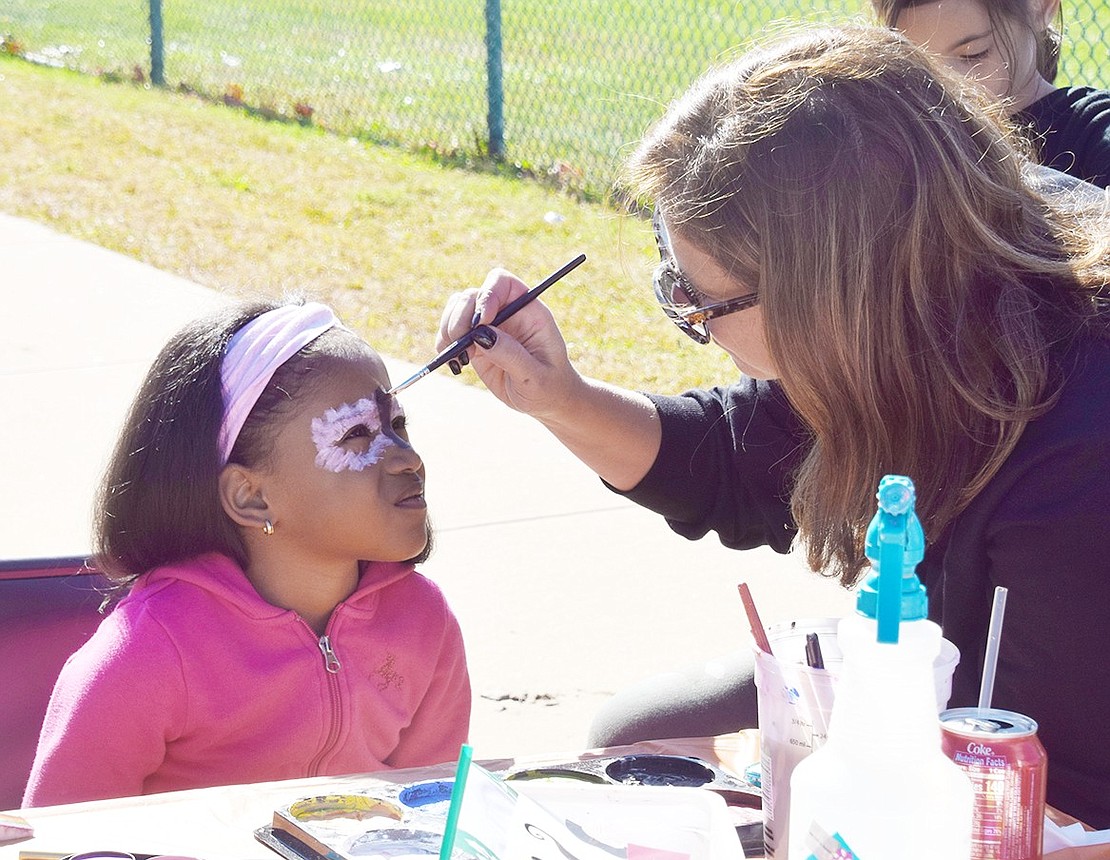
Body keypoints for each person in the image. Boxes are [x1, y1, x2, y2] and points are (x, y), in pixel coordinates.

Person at [434, 25, 1110, 827]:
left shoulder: (1080, 455)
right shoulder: (926, 311)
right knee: (640, 741)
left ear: (830, 292)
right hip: (952, 711)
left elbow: (1060, 802)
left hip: (1034, 786)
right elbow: (741, 455)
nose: (693, 321)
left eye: (701, 303)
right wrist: (560, 397)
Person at [22, 300, 471, 807]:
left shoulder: (422, 621)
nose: (407, 458)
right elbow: (61, 838)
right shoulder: (149, 652)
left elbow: (434, 813)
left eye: (398, 424)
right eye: (356, 435)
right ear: (251, 497)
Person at [871, 0, 1109, 187]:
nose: (949, 86)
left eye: (973, 54)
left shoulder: (1093, 131)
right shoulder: (905, 140)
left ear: (1041, 6)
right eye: (922, 66)